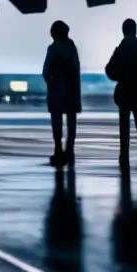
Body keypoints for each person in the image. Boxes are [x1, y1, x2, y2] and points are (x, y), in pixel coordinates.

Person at [105, 18, 137, 171]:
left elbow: (109, 71)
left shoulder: (121, 48)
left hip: (125, 92)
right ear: (135, 30)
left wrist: (120, 76)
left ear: (124, 31)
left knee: (124, 127)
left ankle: (124, 156)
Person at [42, 20, 81, 167]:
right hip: (71, 92)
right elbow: (76, 69)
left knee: (57, 123)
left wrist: (51, 83)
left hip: (56, 92)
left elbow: (46, 71)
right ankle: (69, 151)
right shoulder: (72, 48)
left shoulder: (52, 48)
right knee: (71, 123)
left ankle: (58, 150)